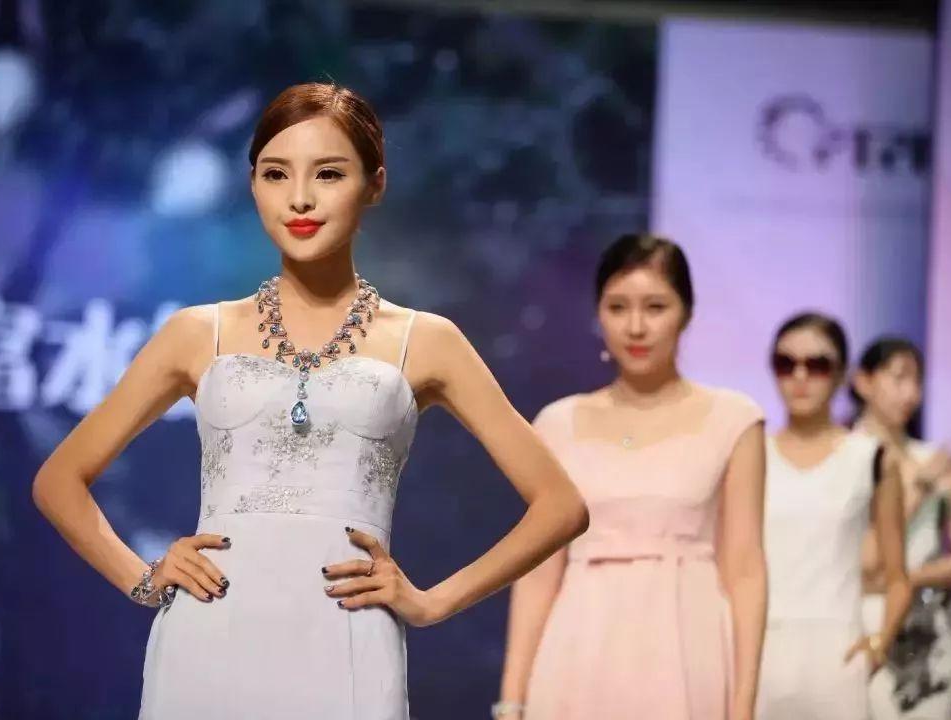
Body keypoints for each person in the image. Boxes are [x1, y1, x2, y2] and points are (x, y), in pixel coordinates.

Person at [31, 82, 589, 720]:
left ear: (374, 184)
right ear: (253, 185)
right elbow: (59, 480)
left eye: (328, 174)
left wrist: (433, 602)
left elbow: (561, 506)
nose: (299, 198)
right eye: (276, 174)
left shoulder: (427, 341)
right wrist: (144, 577)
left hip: (346, 639)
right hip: (208, 640)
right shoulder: (197, 333)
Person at [495, 234, 768, 720]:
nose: (636, 327)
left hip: (686, 648)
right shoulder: (557, 423)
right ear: (598, 314)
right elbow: (537, 575)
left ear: (687, 313)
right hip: (578, 647)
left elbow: (745, 571)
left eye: (655, 307)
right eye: (618, 307)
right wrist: (512, 701)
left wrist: (743, 706)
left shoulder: (734, 420)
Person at [756, 313, 912, 720]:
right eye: (786, 363)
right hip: (759, 653)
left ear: (842, 374)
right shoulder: (751, 455)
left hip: (837, 654)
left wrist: (879, 643)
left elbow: (898, 578)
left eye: (818, 365)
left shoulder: (871, 457)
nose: (800, 376)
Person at [853, 337, 951, 719]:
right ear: (863, 382)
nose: (910, 393)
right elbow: (866, 561)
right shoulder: (845, 457)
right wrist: (920, 487)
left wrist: (907, 579)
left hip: (932, 626)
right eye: (898, 378)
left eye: (917, 381)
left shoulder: (932, 459)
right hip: (870, 622)